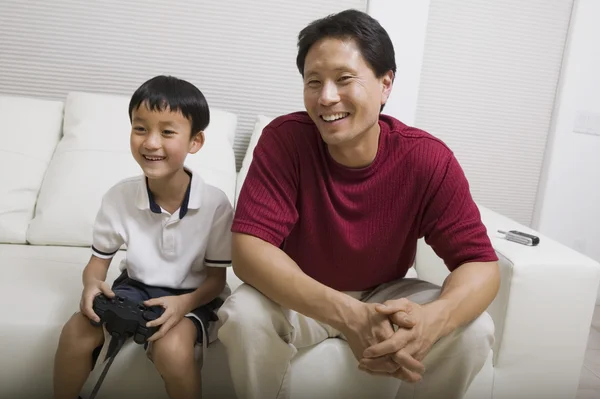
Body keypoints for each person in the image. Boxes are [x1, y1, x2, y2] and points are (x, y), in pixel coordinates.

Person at [217, 8, 500, 399]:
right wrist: (349, 316)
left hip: (386, 292)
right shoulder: (285, 141)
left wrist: (434, 319)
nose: (326, 97)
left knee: (476, 330)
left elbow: (480, 264)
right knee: (243, 316)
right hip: (301, 294)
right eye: (313, 82)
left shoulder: (427, 159)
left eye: (344, 79)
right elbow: (249, 252)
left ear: (386, 84)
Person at [53, 75, 234, 399]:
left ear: (195, 141)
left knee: (173, 350)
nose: (151, 142)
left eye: (167, 132)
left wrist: (184, 304)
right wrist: (91, 284)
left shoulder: (216, 204)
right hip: (134, 287)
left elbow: (216, 281)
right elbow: (97, 265)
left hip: (193, 294)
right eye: (140, 128)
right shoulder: (119, 196)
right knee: (76, 332)